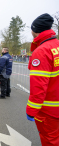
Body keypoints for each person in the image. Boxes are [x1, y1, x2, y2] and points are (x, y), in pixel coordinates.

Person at [26, 13, 59, 146]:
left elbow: (39, 87)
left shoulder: (42, 51)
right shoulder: (56, 45)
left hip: (49, 111)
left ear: (35, 31)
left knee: (50, 141)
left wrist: (31, 110)